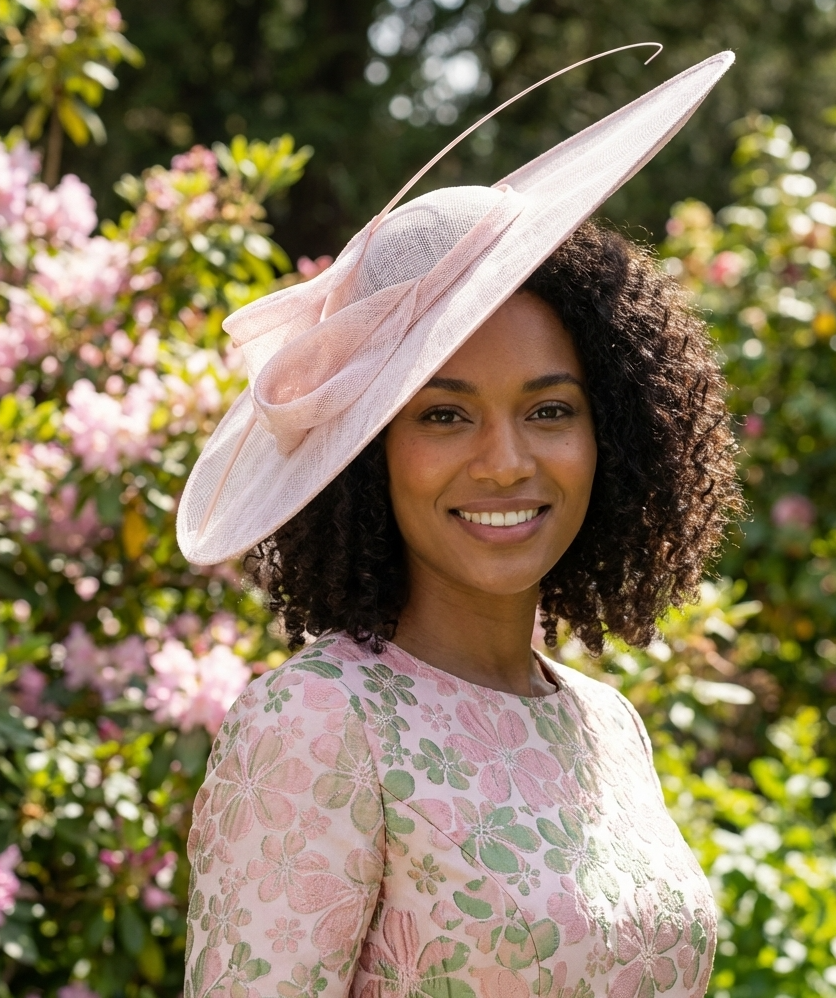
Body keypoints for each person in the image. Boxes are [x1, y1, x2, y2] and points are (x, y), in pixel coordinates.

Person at [180, 50, 739, 998]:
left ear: (614, 432)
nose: (506, 461)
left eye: (550, 409)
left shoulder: (607, 724)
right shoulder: (320, 724)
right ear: (370, 457)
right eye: (444, 415)